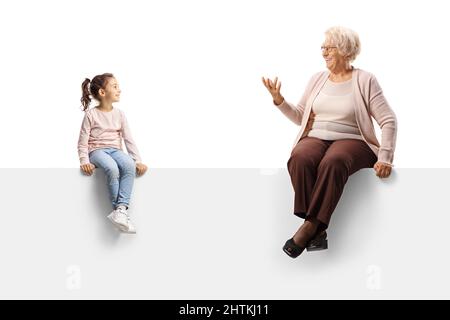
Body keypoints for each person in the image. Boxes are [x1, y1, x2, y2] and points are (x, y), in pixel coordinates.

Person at [262, 26, 397, 258]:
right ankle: (317, 229)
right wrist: (280, 101)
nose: (323, 52)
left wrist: (385, 157)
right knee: (300, 157)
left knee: (334, 161)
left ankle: (308, 228)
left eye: (328, 48)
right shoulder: (317, 79)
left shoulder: (365, 80)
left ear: (344, 50)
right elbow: (300, 115)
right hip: (317, 136)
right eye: (322, 48)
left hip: (354, 140)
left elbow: (388, 120)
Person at [78, 73, 148, 234]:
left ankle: (121, 210)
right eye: (115, 86)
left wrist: (137, 160)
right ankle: (119, 211)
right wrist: (84, 161)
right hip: (97, 151)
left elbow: (128, 139)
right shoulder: (91, 115)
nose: (119, 90)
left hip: (115, 150)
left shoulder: (120, 114)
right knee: (112, 168)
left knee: (128, 164)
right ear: (103, 92)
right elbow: (82, 142)